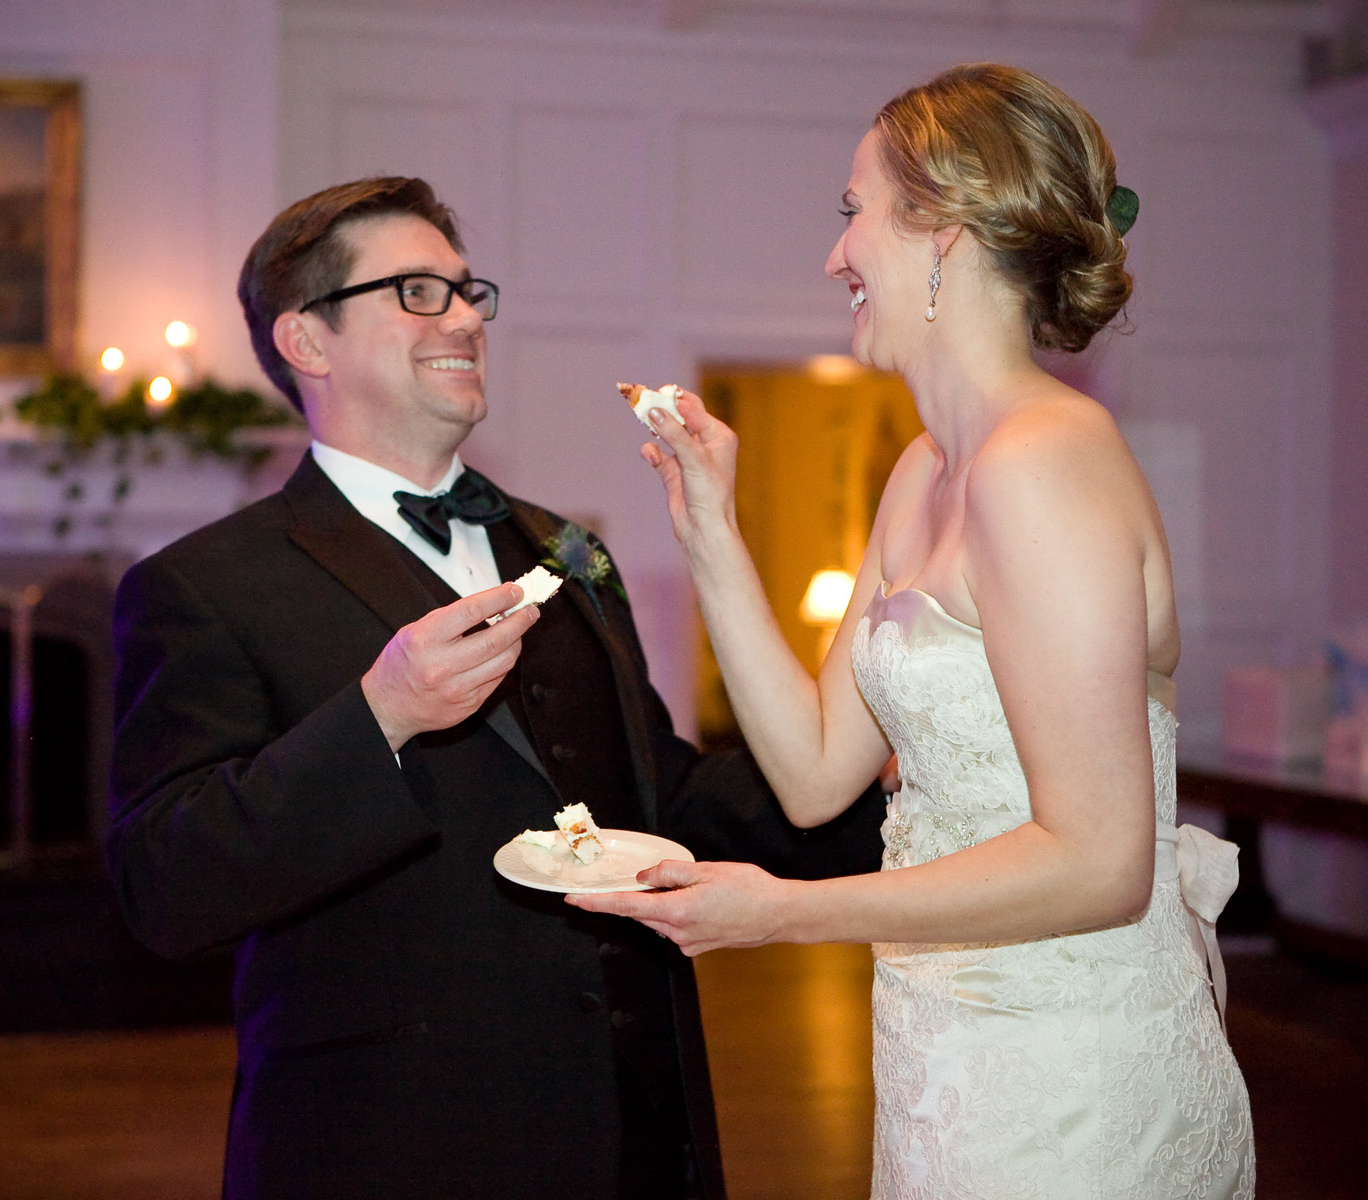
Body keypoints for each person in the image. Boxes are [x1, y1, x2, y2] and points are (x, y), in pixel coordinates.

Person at [104, 176, 885, 1199]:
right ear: (306, 339)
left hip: (631, 1129)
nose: (467, 318)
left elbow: (660, 796)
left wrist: (895, 791)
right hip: (392, 1148)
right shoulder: (205, 584)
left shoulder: (563, 548)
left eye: (469, 291)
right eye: (417, 292)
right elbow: (165, 882)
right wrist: (380, 717)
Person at [571, 64, 1257, 1198]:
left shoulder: (1043, 463)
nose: (834, 256)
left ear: (943, 230)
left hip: (1069, 1080)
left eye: (854, 212)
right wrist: (709, 530)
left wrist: (783, 914)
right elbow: (812, 775)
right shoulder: (924, 470)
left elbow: (1101, 863)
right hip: (947, 1055)